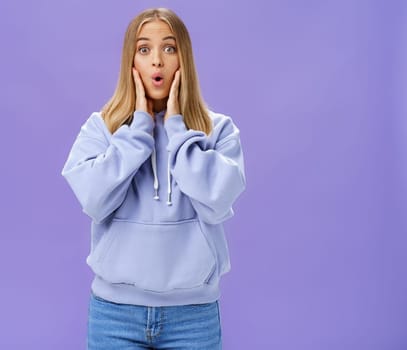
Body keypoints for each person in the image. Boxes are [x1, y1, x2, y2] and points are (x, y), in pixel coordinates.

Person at [61, 7, 245, 349]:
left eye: (169, 48)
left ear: (184, 59)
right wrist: (139, 130)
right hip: (115, 315)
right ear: (131, 61)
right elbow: (94, 200)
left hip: (194, 316)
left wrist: (177, 129)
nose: (157, 61)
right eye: (144, 49)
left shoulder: (218, 130)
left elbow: (218, 201)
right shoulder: (101, 128)